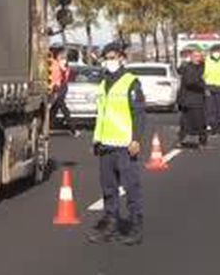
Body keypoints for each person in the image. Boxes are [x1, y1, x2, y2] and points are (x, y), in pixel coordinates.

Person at [90, 42, 147, 246]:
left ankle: (135, 226)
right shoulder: (103, 83)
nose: (109, 61)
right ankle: (110, 224)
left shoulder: (131, 82)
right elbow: (101, 115)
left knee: (131, 187)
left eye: (113, 57)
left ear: (122, 58)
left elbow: (139, 114)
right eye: (106, 57)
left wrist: (136, 139)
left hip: (124, 145)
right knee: (108, 188)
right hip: (106, 145)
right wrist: (96, 139)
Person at [176, 45, 207, 148]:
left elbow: (203, 79)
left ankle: (202, 141)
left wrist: (203, 84)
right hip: (186, 98)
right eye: (194, 56)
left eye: (198, 56)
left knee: (200, 121)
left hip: (198, 98)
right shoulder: (187, 67)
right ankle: (180, 140)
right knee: (184, 121)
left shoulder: (203, 67)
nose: (196, 58)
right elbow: (187, 79)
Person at [48, 47, 76, 135]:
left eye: (65, 57)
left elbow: (65, 76)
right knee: (58, 108)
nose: (64, 59)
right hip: (56, 88)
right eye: (62, 57)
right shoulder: (53, 64)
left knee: (57, 108)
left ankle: (47, 126)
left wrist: (63, 67)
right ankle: (72, 129)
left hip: (61, 88)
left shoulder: (63, 66)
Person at [203, 44, 220, 133]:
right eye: (215, 52)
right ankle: (211, 125)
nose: (216, 53)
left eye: (218, 52)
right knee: (210, 107)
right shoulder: (207, 60)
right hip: (209, 85)